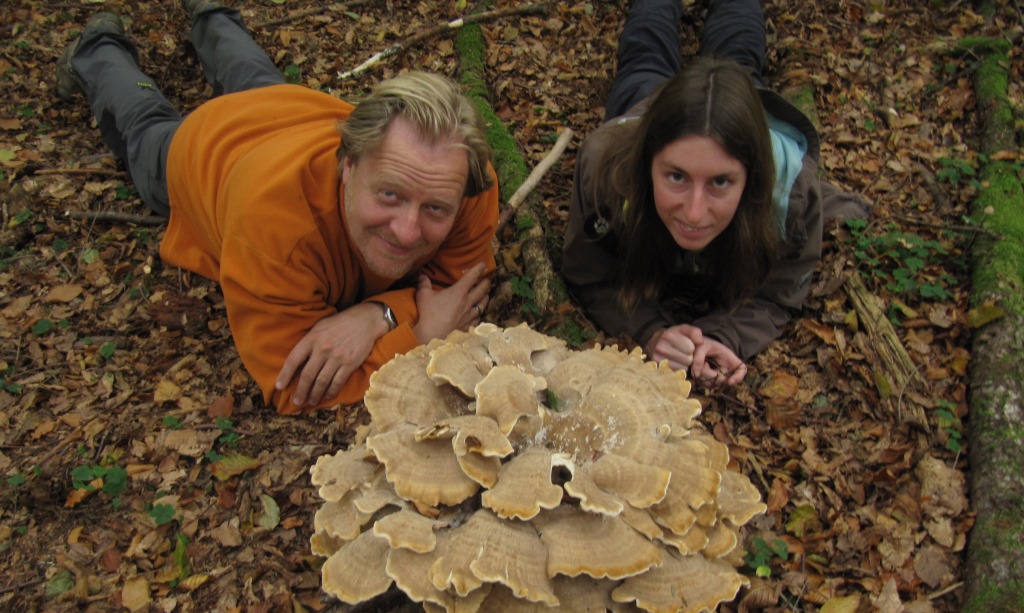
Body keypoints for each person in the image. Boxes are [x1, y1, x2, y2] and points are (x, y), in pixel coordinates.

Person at [56, 1, 498, 414]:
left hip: (293, 111)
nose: (406, 231)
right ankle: (96, 47)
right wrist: (417, 337)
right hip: (207, 151)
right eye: (390, 195)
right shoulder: (271, 231)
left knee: (253, 74)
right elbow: (295, 385)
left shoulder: (461, 179)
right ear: (348, 165)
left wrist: (376, 316)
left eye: (435, 210)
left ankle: (211, 13)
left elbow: (456, 288)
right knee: (146, 123)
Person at [558, 0, 869, 388]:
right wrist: (649, 331)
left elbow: (778, 294)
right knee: (645, 57)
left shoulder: (792, 194)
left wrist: (725, 336)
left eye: (720, 182)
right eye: (676, 176)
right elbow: (590, 274)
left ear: (752, 178)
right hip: (645, 103)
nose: (694, 211)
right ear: (646, 164)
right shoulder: (608, 169)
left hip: (739, 104)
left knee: (738, 58)